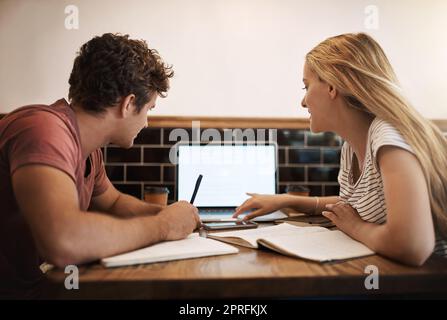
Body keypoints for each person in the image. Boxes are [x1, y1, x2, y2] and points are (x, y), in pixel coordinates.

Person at [0, 33, 200, 298]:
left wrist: (172, 216)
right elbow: (64, 241)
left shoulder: (86, 148)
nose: (147, 123)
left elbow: (114, 203)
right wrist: (163, 225)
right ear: (129, 104)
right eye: (149, 109)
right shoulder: (43, 130)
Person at [234, 33, 447, 266]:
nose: (303, 102)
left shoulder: (388, 137)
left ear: (332, 87)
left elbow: (412, 246)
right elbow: (353, 207)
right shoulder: (351, 146)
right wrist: (285, 200)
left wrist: (356, 227)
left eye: (306, 87)